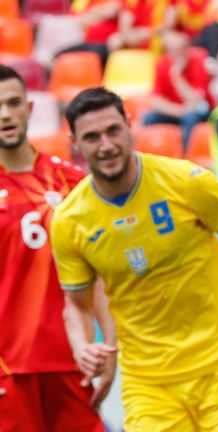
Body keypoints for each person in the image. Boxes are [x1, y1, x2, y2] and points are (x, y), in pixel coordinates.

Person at [51, 87, 218, 431]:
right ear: (74, 143)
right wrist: (81, 346)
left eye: (112, 130)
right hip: (148, 383)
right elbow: (76, 305)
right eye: (91, 137)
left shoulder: (185, 181)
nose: (105, 145)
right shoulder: (68, 221)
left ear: (129, 125)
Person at [0, 65, 108, 431]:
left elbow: (103, 271)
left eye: (13, 103)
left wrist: (112, 346)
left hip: (72, 361)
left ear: (29, 109)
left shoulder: (73, 182)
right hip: (7, 371)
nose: (5, 114)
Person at [143, 30, 214, 152]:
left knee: (190, 118)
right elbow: (155, 101)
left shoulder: (199, 60)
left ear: (187, 48)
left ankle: (187, 155)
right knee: (149, 118)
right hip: (180, 110)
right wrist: (180, 111)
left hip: (203, 111)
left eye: (179, 49)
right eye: (171, 50)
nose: (176, 54)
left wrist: (177, 77)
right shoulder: (163, 64)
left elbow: (196, 101)